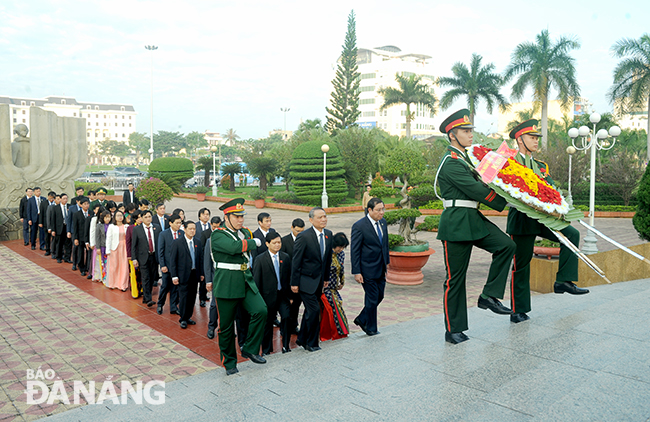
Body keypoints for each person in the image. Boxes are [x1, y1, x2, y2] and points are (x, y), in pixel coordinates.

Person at [435, 109, 516, 344]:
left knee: (506, 246)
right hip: (457, 222)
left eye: (471, 130)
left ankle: (489, 296)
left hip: (473, 218)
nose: (471, 135)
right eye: (465, 131)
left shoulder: (464, 159)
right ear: (452, 135)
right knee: (455, 279)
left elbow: (483, 181)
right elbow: (478, 190)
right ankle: (453, 330)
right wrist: (509, 200)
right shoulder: (450, 163)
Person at [507, 119, 588, 323]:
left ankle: (564, 281)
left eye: (537, 138)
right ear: (519, 139)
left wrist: (561, 208)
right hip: (521, 218)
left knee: (571, 234)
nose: (536, 141)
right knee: (521, 263)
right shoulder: (509, 163)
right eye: (532, 138)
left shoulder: (541, 167)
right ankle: (519, 309)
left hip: (543, 218)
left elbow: (551, 189)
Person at [209, 198, 267, 375]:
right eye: (237, 217)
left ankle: (249, 348)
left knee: (261, 310)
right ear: (226, 217)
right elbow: (234, 248)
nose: (241, 220)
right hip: (227, 283)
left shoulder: (245, 232)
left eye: (242, 216)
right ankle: (229, 362)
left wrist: (251, 240)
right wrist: (255, 242)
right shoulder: (218, 234)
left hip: (245, 279)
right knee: (226, 327)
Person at [291, 207, 333, 352]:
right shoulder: (304, 236)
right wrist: (294, 282)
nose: (323, 219)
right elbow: (296, 261)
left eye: (325, 216)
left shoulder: (328, 234)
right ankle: (311, 343)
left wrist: (326, 278)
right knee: (314, 311)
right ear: (311, 220)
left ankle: (302, 338)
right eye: (320, 217)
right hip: (305, 281)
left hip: (319, 281)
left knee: (310, 312)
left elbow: (327, 259)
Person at [350, 198, 389, 336]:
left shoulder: (383, 223)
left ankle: (362, 318)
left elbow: (385, 244)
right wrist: (356, 271)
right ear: (370, 210)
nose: (382, 212)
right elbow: (355, 250)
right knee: (372, 297)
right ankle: (371, 328)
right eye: (378, 210)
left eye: (383, 209)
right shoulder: (359, 226)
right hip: (366, 269)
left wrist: (387, 264)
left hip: (381, 267)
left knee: (380, 296)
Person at [253, 231, 292, 355]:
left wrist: (291, 296)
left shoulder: (285, 257)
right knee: (267, 324)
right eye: (274, 243)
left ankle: (286, 345)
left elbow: (289, 277)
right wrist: (258, 300)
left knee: (286, 317)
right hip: (267, 297)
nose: (277, 245)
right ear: (267, 244)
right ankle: (266, 349)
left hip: (283, 295)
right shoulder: (260, 259)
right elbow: (256, 281)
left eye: (279, 242)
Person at [170, 221, 204, 329]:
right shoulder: (177, 242)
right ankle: (183, 319)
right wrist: (174, 276)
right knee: (184, 297)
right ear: (184, 229)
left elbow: (200, 259)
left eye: (194, 229)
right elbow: (173, 260)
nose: (192, 231)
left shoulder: (197, 242)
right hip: (182, 275)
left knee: (192, 297)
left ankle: (189, 316)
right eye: (190, 229)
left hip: (194, 274)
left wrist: (202, 273)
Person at [320, 232, 350, 341]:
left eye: (343, 247)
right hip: (325, 288)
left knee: (337, 306)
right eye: (340, 247)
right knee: (332, 308)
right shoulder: (326, 254)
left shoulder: (341, 254)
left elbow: (341, 269)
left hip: (334, 287)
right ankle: (335, 333)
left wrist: (342, 282)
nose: (341, 249)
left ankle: (337, 332)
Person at [131, 210, 161, 307]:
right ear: (142, 218)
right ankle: (148, 299)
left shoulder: (157, 227)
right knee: (145, 277)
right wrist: (134, 258)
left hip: (154, 256)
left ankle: (146, 297)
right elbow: (134, 245)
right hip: (143, 256)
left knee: (153, 277)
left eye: (149, 216)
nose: (148, 219)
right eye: (146, 217)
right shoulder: (137, 229)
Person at [281, 218, 305, 335]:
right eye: (297, 231)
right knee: (287, 305)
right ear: (292, 228)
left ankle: (294, 325)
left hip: (301, 278)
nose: (299, 233)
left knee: (296, 304)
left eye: (302, 231)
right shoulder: (284, 241)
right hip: (288, 279)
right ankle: (284, 327)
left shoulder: (306, 239)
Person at [156, 214, 183, 315]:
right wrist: (162, 265)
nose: (179, 225)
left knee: (175, 287)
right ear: (170, 223)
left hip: (177, 266)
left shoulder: (181, 233)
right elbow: (161, 251)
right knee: (165, 286)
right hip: (167, 266)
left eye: (180, 223)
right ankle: (160, 304)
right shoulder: (164, 234)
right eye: (177, 223)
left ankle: (173, 306)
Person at [205, 216, 223, 340]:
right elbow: (207, 263)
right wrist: (208, 280)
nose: (216, 229)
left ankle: (226, 328)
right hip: (216, 278)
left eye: (218, 227)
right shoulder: (210, 241)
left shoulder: (226, 239)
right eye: (214, 227)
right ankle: (211, 327)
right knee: (214, 305)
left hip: (227, 278)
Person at [106, 210, 130, 291]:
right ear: (115, 217)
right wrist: (108, 250)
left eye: (121, 215)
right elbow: (108, 238)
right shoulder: (112, 226)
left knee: (124, 266)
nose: (120, 217)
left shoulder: (126, 226)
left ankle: (123, 284)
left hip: (124, 248)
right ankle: (113, 283)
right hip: (114, 247)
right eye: (118, 215)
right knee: (114, 266)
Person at [195, 207, 212, 307]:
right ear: (199, 216)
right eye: (204, 214)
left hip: (208, 256)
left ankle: (203, 296)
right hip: (198, 255)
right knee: (200, 277)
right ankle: (200, 297)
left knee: (206, 277)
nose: (206, 216)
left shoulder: (211, 226)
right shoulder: (195, 226)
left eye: (207, 214)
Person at [71, 197, 92, 277]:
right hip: (80, 236)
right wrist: (75, 238)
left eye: (88, 204)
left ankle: (87, 267)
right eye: (85, 204)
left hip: (89, 237)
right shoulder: (77, 214)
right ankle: (81, 268)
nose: (86, 205)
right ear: (81, 205)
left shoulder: (91, 213)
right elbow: (75, 227)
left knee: (88, 253)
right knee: (80, 253)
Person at [126, 210, 142, 298]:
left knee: (142, 273)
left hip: (143, 254)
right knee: (134, 273)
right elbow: (128, 242)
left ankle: (142, 289)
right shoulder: (130, 228)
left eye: (141, 217)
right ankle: (135, 292)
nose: (140, 219)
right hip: (134, 254)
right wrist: (129, 255)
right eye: (138, 217)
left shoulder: (145, 227)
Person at [52, 193, 72, 264]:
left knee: (68, 243)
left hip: (68, 227)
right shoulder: (55, 208)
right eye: (64, 198)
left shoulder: (70, 207)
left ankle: (67, 257)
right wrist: (53, 230)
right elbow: (53, 219)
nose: (65, 200)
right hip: (59, 227)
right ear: (60, 199)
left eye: (66, 198)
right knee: (59, 243)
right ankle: (59, 257)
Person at [95, 210, 112, 285]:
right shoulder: (99, 225)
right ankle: (104, 278)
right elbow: (97, 237)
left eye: (109, 217)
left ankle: (110, 277)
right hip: (103, 247)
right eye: (106, 217)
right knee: (103, 263)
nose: (108, 219)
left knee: (110, 263)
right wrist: (98, 247)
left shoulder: (112, 225)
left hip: (111, 247)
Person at [88, 203, 103, 281]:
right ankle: (97, 275)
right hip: (97, 243)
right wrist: (92, 242)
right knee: (96, 260)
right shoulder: (94, 219)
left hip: (104, 243)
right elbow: (92, 231)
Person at [40, 191, 55, 255]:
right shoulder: (43, 203)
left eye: (52, 198)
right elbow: (41, 213)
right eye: (50, 198)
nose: (51, 200)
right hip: (46, 222)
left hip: (54, 223)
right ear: (48, 197)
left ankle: (54, 250)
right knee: (47, 237)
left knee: (54, 238)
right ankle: (48, 250)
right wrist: (40, 222)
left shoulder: (56, 204)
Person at [47, 194, 61, 259]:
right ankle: (53, 252)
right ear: (54, 200)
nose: (59, 200)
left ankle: (60, 253)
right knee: (54, 240)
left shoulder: (62, 207)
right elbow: (49, 218)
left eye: (60, 199)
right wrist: (49, 227)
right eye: (57, 199)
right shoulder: (51, 207)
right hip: (53, 227)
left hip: (60, 227)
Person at [44, 192, 57, 256]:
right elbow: (48, 217)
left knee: (55, 240)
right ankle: (49, 250)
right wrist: (49, 227)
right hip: (50, 226)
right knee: (48, 238)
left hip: (57, 226)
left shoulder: (59, 206)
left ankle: (54, 251)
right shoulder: (50, 207)